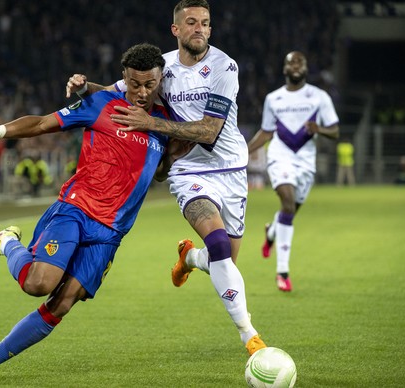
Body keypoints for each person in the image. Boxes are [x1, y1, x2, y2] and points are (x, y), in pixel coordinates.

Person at [0, 43, 191, 386]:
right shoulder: (101, 104)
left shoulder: (164, 123)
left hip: (111, 233)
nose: (141, 92)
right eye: (135, 84)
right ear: (124, 78)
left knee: (61, 304)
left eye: (149, 85)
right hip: (76, 211)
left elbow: (160, 172)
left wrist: (177, 152)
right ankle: (6, 243)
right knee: (38, 283)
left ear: (160, 80)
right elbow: (44, 123)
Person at [66, 0, 266, 356]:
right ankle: (250, 336)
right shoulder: (163, 67)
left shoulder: (224, 66)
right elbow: (120, 91)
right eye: (191, 22)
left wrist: (151, 123)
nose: (200, 29)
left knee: (226, 261)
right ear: (176, 30)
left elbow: (208, 131)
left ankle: (189, 259)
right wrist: (84, 89)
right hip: (188, 170)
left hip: (231, 170)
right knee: (219, 246)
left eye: (205, 23)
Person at [247, 51, 339, 292]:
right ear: (285, 69)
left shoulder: (319, 97)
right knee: (287, 203)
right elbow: (266, 132)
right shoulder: (273, 99)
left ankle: (272, 230)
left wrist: (319, 128)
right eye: (291, 62)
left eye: (301, 62)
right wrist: (244, 151)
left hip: (306, 161)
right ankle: (283, 272)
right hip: (280, 157)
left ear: (306, 68)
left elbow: (335, 131)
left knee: (290, 211)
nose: (296, 65)